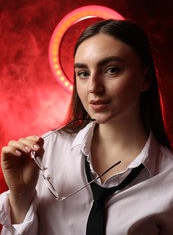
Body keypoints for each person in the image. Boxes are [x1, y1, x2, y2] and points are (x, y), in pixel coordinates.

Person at [0, 19, 173, 235]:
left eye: (111, 70)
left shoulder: (169, 179)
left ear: (145, 78)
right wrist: (20, 197)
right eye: (83, 73)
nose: (93, 87)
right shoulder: (45, 152)